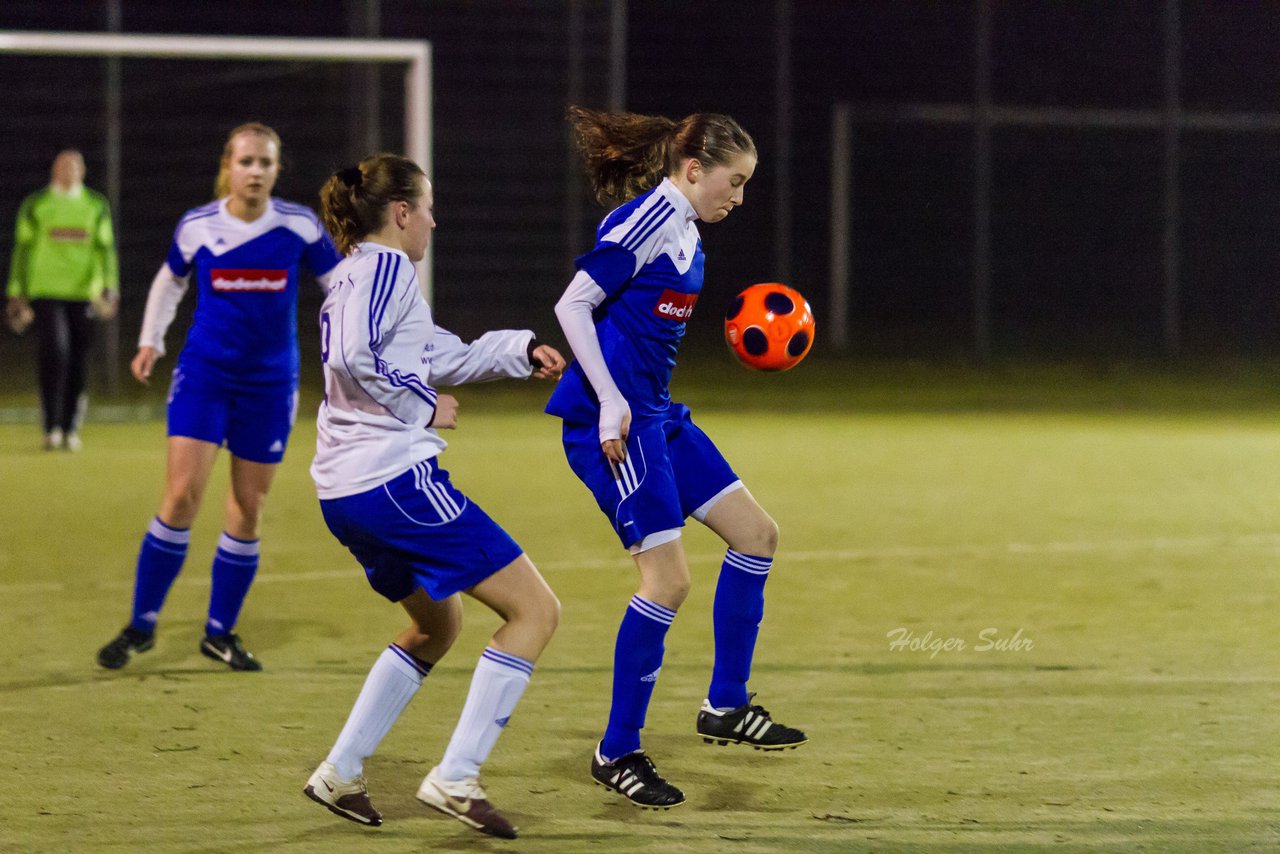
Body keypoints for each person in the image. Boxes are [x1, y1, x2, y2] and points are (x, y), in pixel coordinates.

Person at [545, 106, 808, 809]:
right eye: (735, 180)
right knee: (666, 583)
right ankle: (617, 751)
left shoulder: (686, 227)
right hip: (615, 426)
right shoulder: (648, 220)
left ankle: (725, 704)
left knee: (757, 534)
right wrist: (608, 400)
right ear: (694, 170)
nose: (739, 196)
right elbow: (573, 305)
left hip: (656, 415)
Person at [301, 153, 565, 841]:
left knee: (436, 626)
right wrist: (423, 407)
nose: (435, 221)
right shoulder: (386, 267)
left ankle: (340, 770)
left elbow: (433, 354)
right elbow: (355, 357)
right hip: (393, 482)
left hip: (345, 492)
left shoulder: (359, 273)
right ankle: (456, 775)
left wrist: (519, 351)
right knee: (535, 611)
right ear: (401, 214)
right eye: (428, 207)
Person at [96, 122, 342, 672]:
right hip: (205, 375)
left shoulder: (299, 226)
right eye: (246, 161)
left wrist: (354, 350)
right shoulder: (198, 226)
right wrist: (150, 340)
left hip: (270, 383)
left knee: (248, 508)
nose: (255, 172)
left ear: (277, 171)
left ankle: (218, 632)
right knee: (182, 496)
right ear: (228, 167)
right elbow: (169, 281)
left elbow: (342, 287)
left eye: (265, 163)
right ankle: (141, 626)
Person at [5, 148, 119, 451]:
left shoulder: (95, 205)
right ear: (54, 170)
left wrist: (109, 285)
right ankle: (51, 426)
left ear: (82, 171)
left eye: (74, 165)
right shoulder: (37, 204)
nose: (68, 169)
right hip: (45, 289)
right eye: (63, 164)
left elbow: (105, 249)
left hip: (83, 293)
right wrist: (16, 291)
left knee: (79, 357)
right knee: (56, 351)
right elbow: (22, 249)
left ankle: (71, 427)